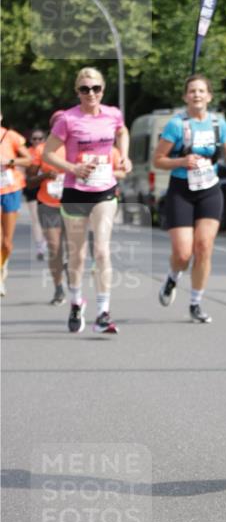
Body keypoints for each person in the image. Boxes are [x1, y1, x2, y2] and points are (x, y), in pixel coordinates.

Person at [43, 67, 131, 334]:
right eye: (84, 89)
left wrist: (124, 155)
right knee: (77, 255)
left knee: (102, 251)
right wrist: (73, 168)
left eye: (95, 88)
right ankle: (76, 302)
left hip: (105, 189)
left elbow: (122, 132)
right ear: (77, 92)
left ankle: (103, 313)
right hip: (75, 191)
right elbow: (48, 154)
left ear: (102, 90)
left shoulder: (112, 114)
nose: (90, 93)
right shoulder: (68, 119)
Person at [153, 75, 226, 323]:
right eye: (192, 91)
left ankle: (195, 303)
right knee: (183, 254)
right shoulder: (176, 125)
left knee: (203, 247)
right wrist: (181, 161)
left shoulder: (218, 123)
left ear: (209, 96)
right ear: (185, 97)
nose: (197, 95)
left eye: (201, 91)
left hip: (209, 189)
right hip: (181, 190)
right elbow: (158, 160)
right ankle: (172, 278)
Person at [33, 111, 67, 305]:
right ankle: (58, 288)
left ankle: (70, 273)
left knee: (75, 248)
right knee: (54, 247)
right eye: (57, 124)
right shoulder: (41, 149)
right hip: (48, 204)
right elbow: (30, 180)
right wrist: (45, 175)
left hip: (74, 205)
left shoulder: (76, 147)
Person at [0, 113, 32, 297]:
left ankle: (3, 265)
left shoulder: (11, 136)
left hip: (11, 189)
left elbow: (28, 160)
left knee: (6, 242)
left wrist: (9, 161)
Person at [25, 128, 48, 261]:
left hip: (47, 187)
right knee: (35, 218)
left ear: (44, 139)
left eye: (40, 138)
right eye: (34, 138)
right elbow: (21, 168)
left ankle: (47, 239)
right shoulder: (27, 152)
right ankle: (40, 246)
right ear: (30, 140)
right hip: (33, 186)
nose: (37, 141)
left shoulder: (49, 151)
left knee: (48, 216)